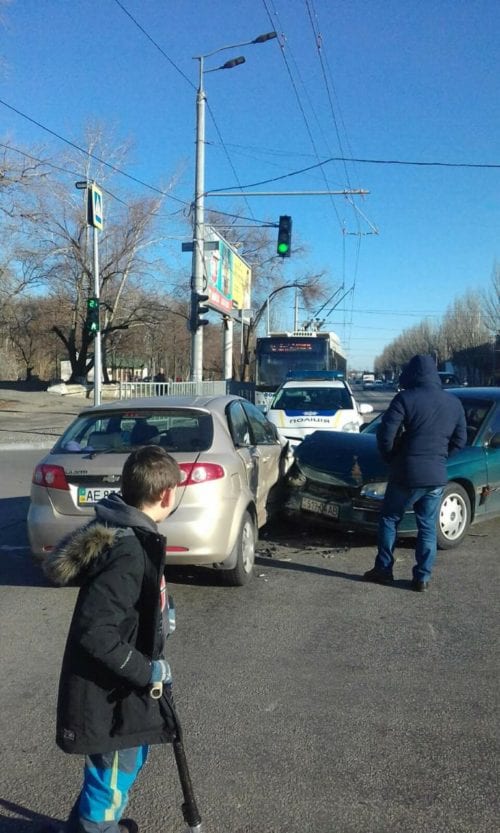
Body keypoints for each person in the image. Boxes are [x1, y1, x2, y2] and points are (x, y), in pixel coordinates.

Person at [42, 446, 181, 833]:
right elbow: (96, 632)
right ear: (167, 494)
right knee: (114, 772)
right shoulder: (130, 550)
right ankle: (95, 828)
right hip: (112, 691)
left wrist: (161, 613)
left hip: (120, 686)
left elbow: (126, 604)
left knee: (113, 769)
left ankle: (83, 827)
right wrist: (147, 670)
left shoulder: (135, 535)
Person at [363, 354, 467, 592]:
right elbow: (460, 440)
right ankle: (422, 577)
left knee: (390, 519)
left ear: (412, 373)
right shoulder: (453, 403)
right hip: (436, 475)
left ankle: (384, 569)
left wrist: (392, 457)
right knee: (428, 525)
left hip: (406, 473)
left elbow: (385, 434)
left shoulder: (405, 398)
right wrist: (440, 457)